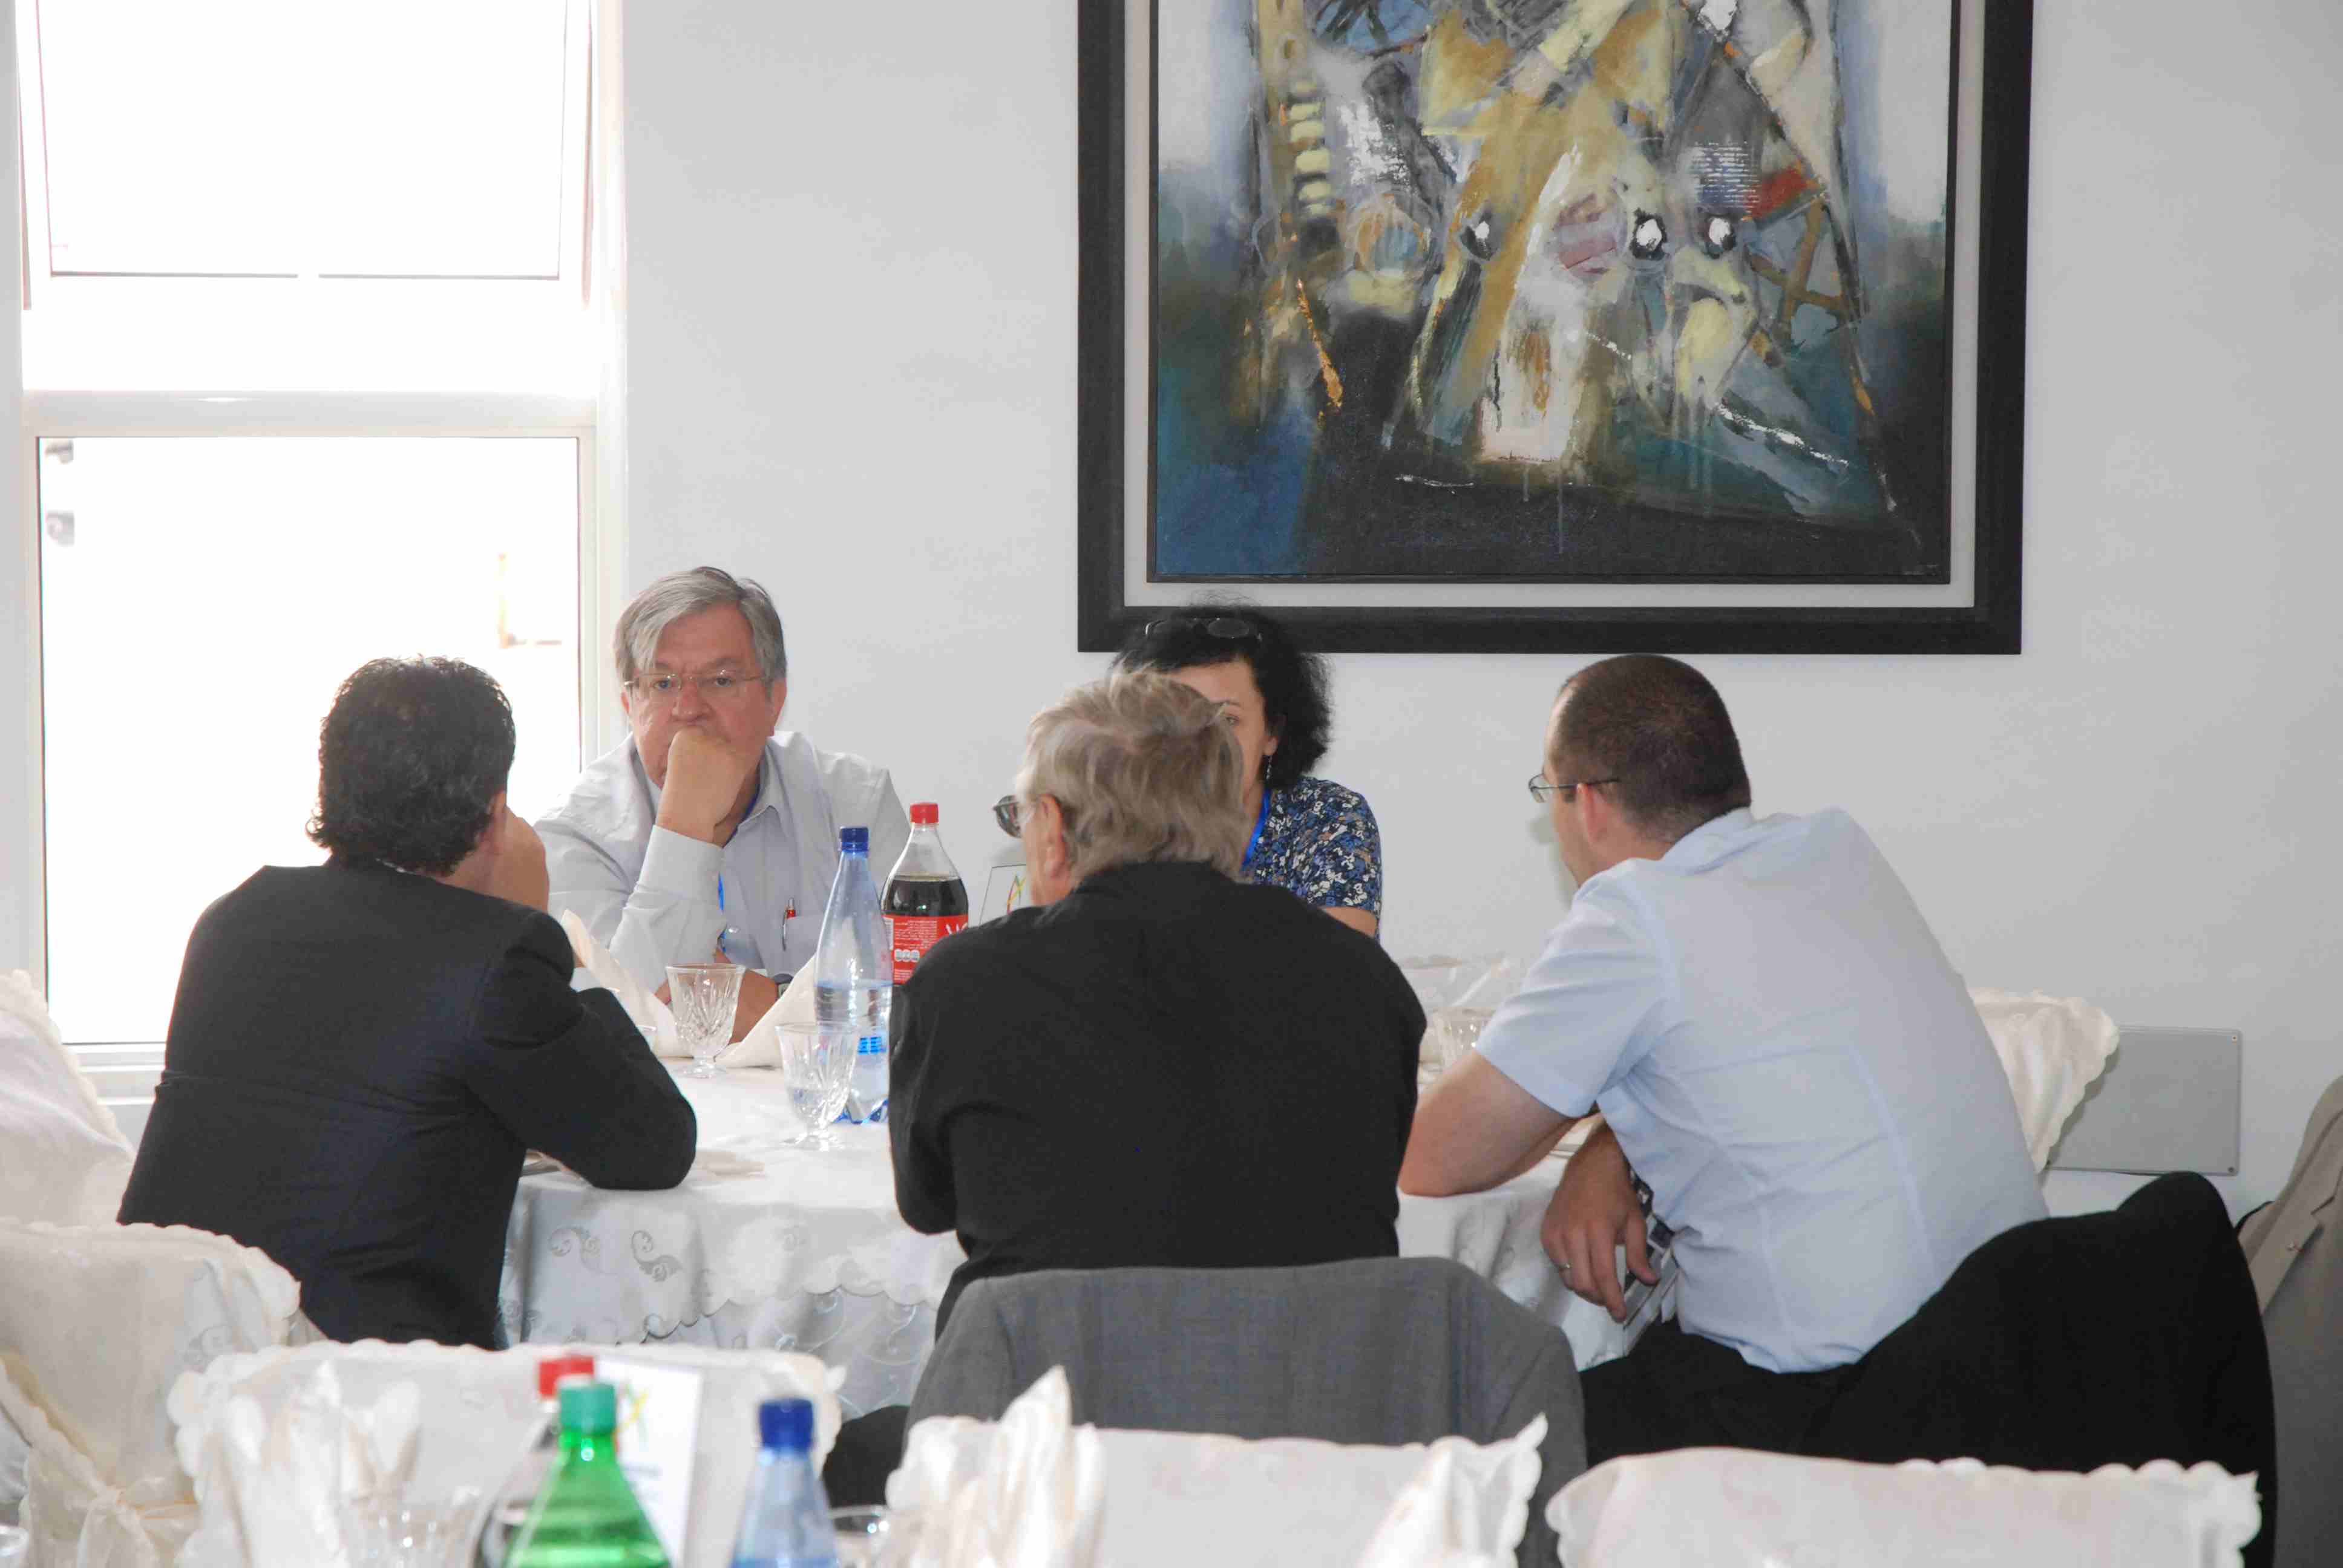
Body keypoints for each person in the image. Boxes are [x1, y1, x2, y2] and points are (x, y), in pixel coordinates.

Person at [1398, 654, 2044, 1462]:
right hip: (2010, 1365)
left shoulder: (1632, 918)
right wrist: (1612, 1142)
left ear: (1585, 801)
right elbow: (1757, 1062)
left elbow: (1433, 1160)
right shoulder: (1835, 856)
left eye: (1548, 793)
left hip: (1826, 1408)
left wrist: (1603, 1130)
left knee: (1468, 1449)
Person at [119, 658, 695, 1348]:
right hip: (360, 1382)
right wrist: (549, 940)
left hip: (166, 1352)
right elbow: (653, 1147)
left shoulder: (232, 919)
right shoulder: (494, 956)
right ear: (492, 815)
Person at [892, 672, 1426, 1330]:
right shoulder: (1362, 978)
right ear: (1231, 814)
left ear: (1052, 829)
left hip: (1052, 1387)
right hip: (1315, 1386)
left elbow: (928, 1205)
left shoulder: (967, 982)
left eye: (1021, 816)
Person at [537, 567, 909, 1036]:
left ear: (775, 700)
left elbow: (914, 1006)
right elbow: (619, 1024)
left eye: (720, 680)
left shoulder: (855, 802)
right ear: (630, 706)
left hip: (821, 1083)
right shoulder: (573, 837)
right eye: (662, 683)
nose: (689, 709)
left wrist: (777, 1005)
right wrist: (684, 827)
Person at [1113, 604, 1383, 935]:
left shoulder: (1327, 816)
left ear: (1272, 733)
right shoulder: (1113, 820)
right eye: (1177, 720)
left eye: (1227, 720)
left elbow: (1339, 960)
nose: (1201, 743)